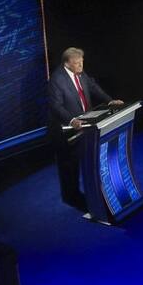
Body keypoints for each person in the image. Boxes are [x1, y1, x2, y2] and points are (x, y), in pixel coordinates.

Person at [47, 47, 124, 213]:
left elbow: (94, 88)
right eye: (77, 63)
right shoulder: (57, 79)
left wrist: (110, 101)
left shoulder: (80, 72)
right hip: (66, 130)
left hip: (85, 126)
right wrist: (72, 119)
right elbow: (55, 106)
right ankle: (71, 197)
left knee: (86, 160)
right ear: (67, 63)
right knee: (70, 165)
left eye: (82, 62)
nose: (81, 66)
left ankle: (93, 194)